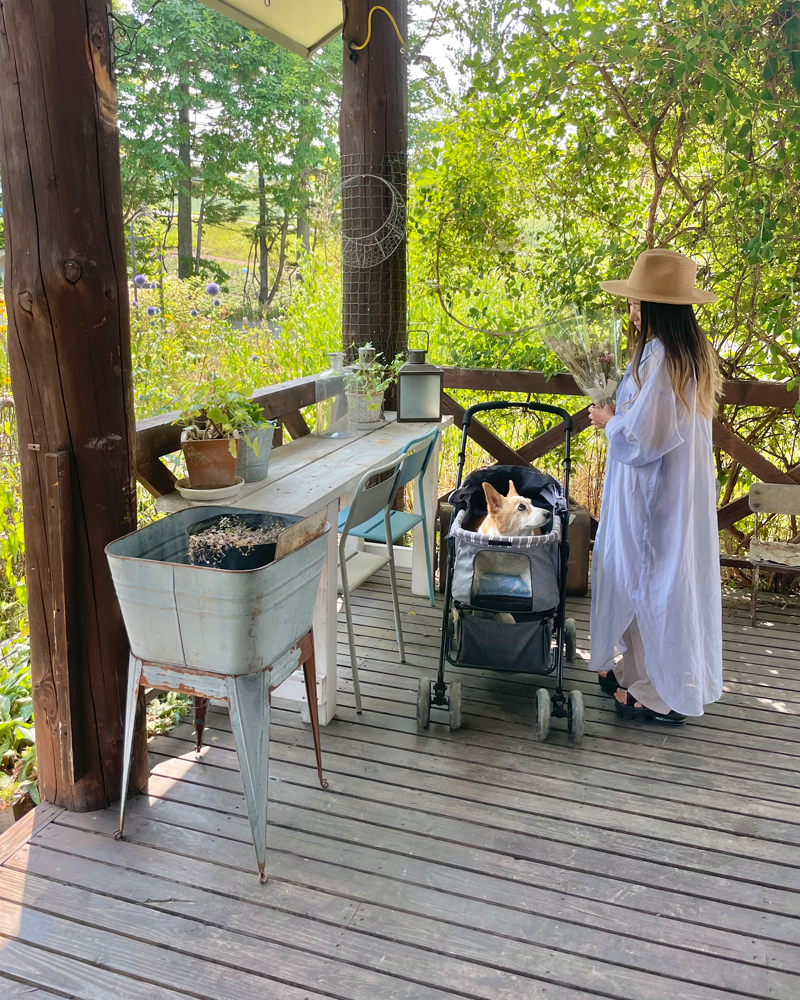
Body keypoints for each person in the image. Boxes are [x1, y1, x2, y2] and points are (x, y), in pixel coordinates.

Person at [588, 248, 723, 724]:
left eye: (637, 303)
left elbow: (644, 439)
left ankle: (661, 692)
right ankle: (640, 671)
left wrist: (608, 421)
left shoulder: (666, 358)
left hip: (657, 492)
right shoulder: (680, 352)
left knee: (652, 577)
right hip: (664, 488)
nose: (631, 311)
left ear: (657, 308)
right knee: (645, 576)